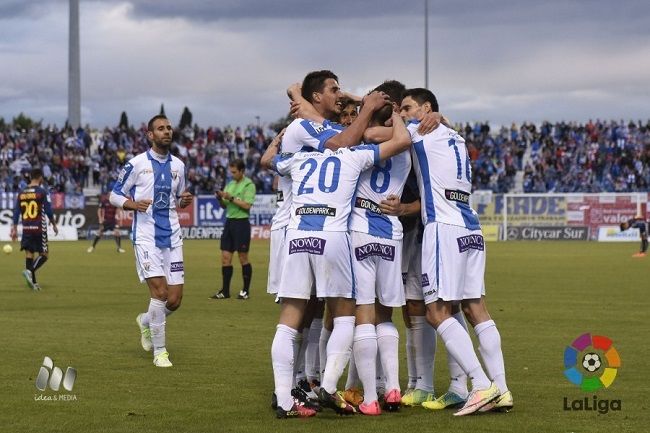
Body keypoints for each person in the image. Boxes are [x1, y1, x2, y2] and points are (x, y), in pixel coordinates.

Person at [402, 88, 512, 415]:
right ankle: (502, 388)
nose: (405, 114)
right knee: (475, 307)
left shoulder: (419, 132)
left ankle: (480, 385)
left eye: (409, 108)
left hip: (444, 228)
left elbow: (376, 132)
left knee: (436, 312)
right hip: (471, 227)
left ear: (426, 109)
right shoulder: (457, 138)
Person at [110, 114, 193, 368]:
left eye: (168, 128)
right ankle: (160, 352)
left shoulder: (179, 166)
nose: (166, 131)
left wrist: (183, 201)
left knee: (175, 300)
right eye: (160, 128)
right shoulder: (136, 164)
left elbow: (178, 198)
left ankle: (146, 321)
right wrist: (132, 204)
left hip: (173, 237)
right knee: (160, 292)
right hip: (146, 238)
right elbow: (114, 194)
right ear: (150, 135)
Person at [210, 158, 256, 300]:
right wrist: (220, 199)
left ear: (242, 171)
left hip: (241, 223)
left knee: (243, 257)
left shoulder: (249, 185)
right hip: (229, 222)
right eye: (231, 172)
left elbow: (247, 205)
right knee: (225, 258)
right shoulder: (230, 184)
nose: (232, 174)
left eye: (234, 172)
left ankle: (245, 291)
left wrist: (230, 198)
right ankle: (225, 291)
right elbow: (224, 206)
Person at [11, 167, 58, 291]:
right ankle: (29, 271)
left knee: (29, 254)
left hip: (26, 228)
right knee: (44, 255)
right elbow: (48, 210)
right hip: (39, 228)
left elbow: (16, 212)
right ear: (40, 178)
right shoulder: (42, 192)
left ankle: (34, 283)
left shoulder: (22, 193)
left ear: (31, 177)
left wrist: (14, 228)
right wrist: (53, 224)